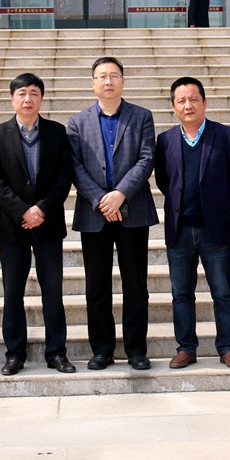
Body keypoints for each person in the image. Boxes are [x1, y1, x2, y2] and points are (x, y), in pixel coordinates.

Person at [67, 57, 158, 371]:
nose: (108, 81)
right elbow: (75, 166)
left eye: (114, 76)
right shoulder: (77, 122)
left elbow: (146, 158)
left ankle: (136, 350)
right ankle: (102, 350)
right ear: (93, 83)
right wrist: (100, 200)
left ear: (123, 81)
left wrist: (120, 194)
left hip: (134, 210)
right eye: (102, 76)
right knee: (97, 286)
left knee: (136, 285)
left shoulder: (142, 116)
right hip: (94, 214)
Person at [154, 77, 230, 369]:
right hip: (179, 229)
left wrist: (216, 204)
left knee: (223, 292)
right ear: (173, 107)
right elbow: (164, 180)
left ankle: (227, 347)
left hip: (214, 228)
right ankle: (186, 348)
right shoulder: (165, 140)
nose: (188, 105)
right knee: (181, 293)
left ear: (205, 103)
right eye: (181, 100)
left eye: (194, 99)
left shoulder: (225, 135)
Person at [0, 73, 75, 375]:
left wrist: (42, 209)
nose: (28, 99)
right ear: (12, 98)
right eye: (22, 93)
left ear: (41, 98)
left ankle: (56, 353)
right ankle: (15, 354)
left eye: (34, 93)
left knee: (53, 291)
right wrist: (23, 211)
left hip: (48, 224)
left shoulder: (57, 132)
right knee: (13, 293)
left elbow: (64, 176)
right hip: (12, 227)